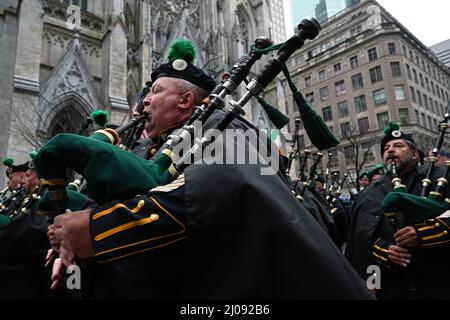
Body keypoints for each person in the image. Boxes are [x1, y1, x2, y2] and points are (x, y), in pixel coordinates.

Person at [49, 39, 372, 299]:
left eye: (155, 91)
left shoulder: (228, 131)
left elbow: (219, 186)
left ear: (186, 102)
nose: (144, 100)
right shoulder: (148, 145)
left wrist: (99, 229)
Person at [346, 122, 450, 299]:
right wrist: (383, 252)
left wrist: (422, 234)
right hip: (392, 290)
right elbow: (360, 242)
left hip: (440, 285)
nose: (390, 150)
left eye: (398, 145)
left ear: (415, 154)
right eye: (386, 148)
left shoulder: (439, 177)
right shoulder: (369, 194)